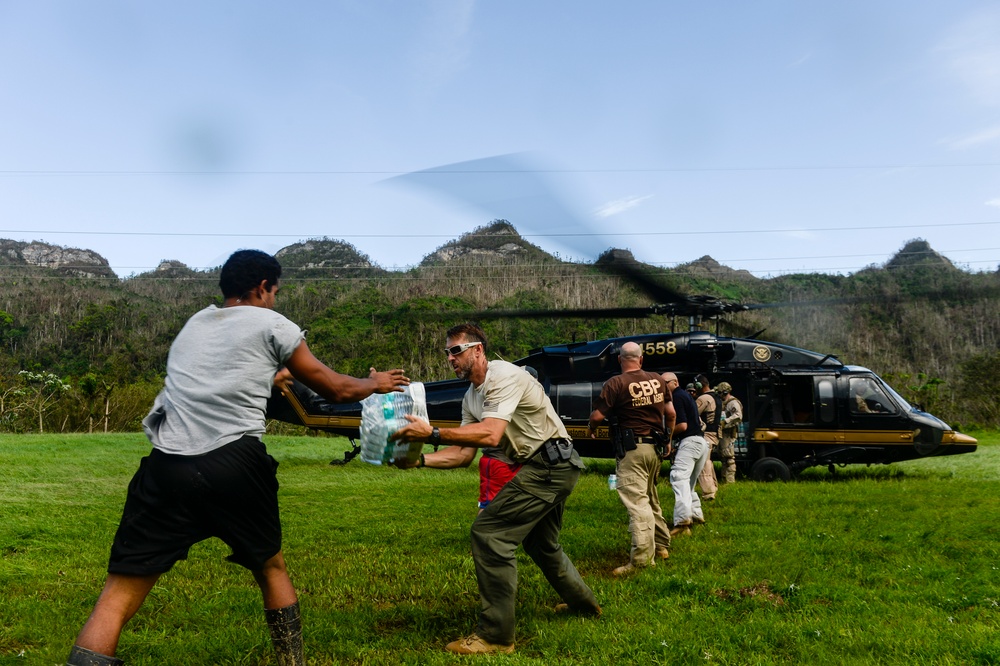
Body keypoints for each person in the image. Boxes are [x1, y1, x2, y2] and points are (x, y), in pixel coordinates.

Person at [65, 250, 410, 666]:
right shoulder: (272, 323)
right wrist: (374, 382)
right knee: (271, 567)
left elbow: (236, 371)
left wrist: (275, 373)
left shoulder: (195, 324)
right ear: (263, 287)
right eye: (275, 291)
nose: (275, 300)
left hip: (165, 465)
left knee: (118, 592)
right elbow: (335, 388)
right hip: (232, 462)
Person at [392, 323, 600, 655]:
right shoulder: (471, 397)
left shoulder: (503, 375)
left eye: (456, 351)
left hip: (549, 466)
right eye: (447, 353)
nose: (450, 359)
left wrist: (431, 433)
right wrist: (419, 463)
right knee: (542, 545)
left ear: (478, 350)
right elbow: (462, 455)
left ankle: (496, 636)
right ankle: (585, 606)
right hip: (548, 466)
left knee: (489, 535)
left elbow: (490, 435)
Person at [587, 341, 676, 576]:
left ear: (619, 360)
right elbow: (671, 413)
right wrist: (668, 440)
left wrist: (592, 426)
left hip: (632, 449)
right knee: (650, 497)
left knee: (637, 503)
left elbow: (597, 415)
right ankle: (662, 546)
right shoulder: (658, 379)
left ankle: (641, 560)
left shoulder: (616, 383)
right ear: (641, 359)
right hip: (654, 449)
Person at [660, 372, 710, 537]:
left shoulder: (677, 397)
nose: (662, 386)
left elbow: (681, 425)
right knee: (689, 482)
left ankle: (682, 521)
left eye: (665, 382)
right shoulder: (685, 396)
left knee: (678, 477)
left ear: (675, 382)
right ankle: (696, 515)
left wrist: (665, 436)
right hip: (700, 442)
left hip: (690, 442)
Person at [694, 374, 722, 501]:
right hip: (715, 434)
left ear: (699, 385)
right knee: (708, 462)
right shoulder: (716, 397)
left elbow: (693, 412)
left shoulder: (704, 398)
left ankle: (708, 493)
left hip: (706, 435)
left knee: (703, 463)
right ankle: (713, 487)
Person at [716, 382, 742, 484]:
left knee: (729, 458)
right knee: (723, 458)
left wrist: (726, 421)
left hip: (729, 432)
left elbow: (738, 415)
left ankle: (730, 481)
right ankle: (724, 478)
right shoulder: (724, 402)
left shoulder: (733, 403)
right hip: (723, 432)